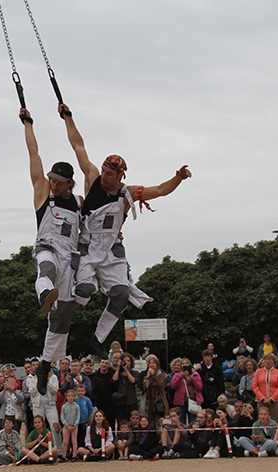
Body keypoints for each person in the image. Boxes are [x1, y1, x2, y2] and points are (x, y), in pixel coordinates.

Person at [59, 102, 191, 359]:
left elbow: (160, 191)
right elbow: (78, 146)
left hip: (111, 249)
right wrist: (68, 117)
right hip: (87, 245)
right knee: (85, 291)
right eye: (105, 171)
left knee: (120, 295)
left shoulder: (127, 193)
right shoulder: (93, 178)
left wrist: (178, 178)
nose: (105, 176)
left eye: (110, 174)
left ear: (120, 176)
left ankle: (97, 338)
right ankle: (61, 308)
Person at [21, 112, 82, 396]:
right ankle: (45, 293)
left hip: (70, 260)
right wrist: (28, 124)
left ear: (70, 182)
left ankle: (46, 365)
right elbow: (33, 152)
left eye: (60, 181)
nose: (54, 184)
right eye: (52, 180)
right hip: (46, 249)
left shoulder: (80, 204)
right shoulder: (43, 194)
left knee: (62, 319)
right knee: (46, 270)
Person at [170, 357, 203, 425]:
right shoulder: (177, 375)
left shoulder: (195, 374)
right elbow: (173, 386)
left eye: (186, 363)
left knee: (193, 421)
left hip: (193, 400)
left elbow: (199, 387)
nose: (185, 365)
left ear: (190, 365)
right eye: (183, 363)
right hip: (181, 402)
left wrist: (193, 379)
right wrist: (180, 378)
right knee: (181, 421)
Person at [253, 352, 278, 421]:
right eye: (266, 359)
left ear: (274, 361)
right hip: (261, 400)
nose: (267, 361)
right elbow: (255, 386)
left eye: (270, 359)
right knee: (263, 420)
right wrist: (262, 398)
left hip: (275, 401)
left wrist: (272, 398)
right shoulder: (258, 372)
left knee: (275, 420)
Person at [112, 352, 139, 429]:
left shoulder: (134, 372)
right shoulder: (118, 373)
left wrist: (126, 370)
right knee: (121, 422)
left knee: (132, 422)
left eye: (128, 361)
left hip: (131, 400)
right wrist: (118, 368)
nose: (126, 362)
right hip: (120, 401)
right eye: (125, 360)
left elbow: (133, 381)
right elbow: (114, 380)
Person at [140, 354, 168, 421]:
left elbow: (158, 384)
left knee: (159, 419)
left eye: (153, 363)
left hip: (159, 399)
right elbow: (145, 387)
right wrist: (148, 376)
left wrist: (153, 375)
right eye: (150, 363)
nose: (152, 365)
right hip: (149, 400)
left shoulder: (162, 375)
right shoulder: (146, 376)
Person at [59, 389, 81, 461]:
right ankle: (64, 456)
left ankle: (74, 455)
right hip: (66, 426)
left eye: (72, 396)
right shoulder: (64, 407)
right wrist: (66, 424)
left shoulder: (76, 406)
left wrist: (75, 425)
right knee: (65, 441)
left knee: (74, 441)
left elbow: (78, 416)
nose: (70, 397)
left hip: (74, 426)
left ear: (74, 397)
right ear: (66, 397)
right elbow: (62, 416)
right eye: (69, 396)